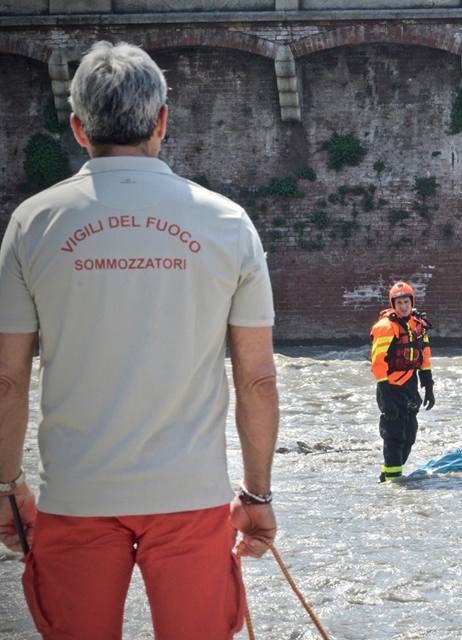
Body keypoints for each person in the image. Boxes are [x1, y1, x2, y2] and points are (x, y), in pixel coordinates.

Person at [0, 41, 278, 640]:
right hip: (190, 495)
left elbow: (7, 378)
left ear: (77, 128)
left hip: (75, 494)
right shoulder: (228, 222)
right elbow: (256, 379)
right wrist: (256, 493)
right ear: (161, 121)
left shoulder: (32, 223)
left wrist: (4, 484)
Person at [370, 281, 435, 482]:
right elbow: (377, 363)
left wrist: (429, 385)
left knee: (410, 433)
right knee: (394, 434)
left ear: (412, 302)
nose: (403, 306)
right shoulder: (385, 327)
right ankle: (392, 480)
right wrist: (386, 396)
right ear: (393, 304)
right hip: (389, 386)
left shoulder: (418, 324)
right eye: (399, 303)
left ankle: (389, 474)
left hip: (410, 385)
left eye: (406, 302)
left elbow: (424, 354)